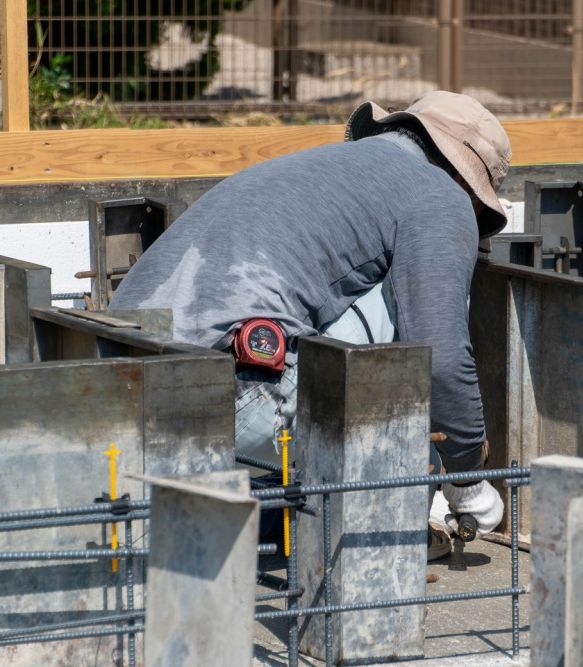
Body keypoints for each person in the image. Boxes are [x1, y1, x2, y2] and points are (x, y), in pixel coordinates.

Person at [111, 91, 509, 557]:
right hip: (231, 397)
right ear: (467, 180)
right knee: (418, 304)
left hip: (120, 385)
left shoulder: (322, 166)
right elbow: (440, 357)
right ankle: (389, 524)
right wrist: (466, 478)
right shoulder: (440, 194)